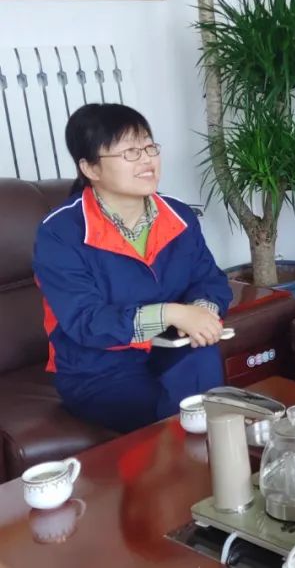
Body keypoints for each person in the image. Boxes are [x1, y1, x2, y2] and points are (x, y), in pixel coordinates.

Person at [33, 103, 231, 434]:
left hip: (169, 348)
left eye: (149, 147)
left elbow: (208, 279)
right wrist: (171, 313)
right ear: (90, 168)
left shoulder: (178, 215)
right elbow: (86, 321)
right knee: (176, 416)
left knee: (203, 361)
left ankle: (213, 453)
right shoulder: (60, 232)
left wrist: (201, 314)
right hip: (97, 369)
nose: (147, 160)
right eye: (130, 152)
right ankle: (192, 457)